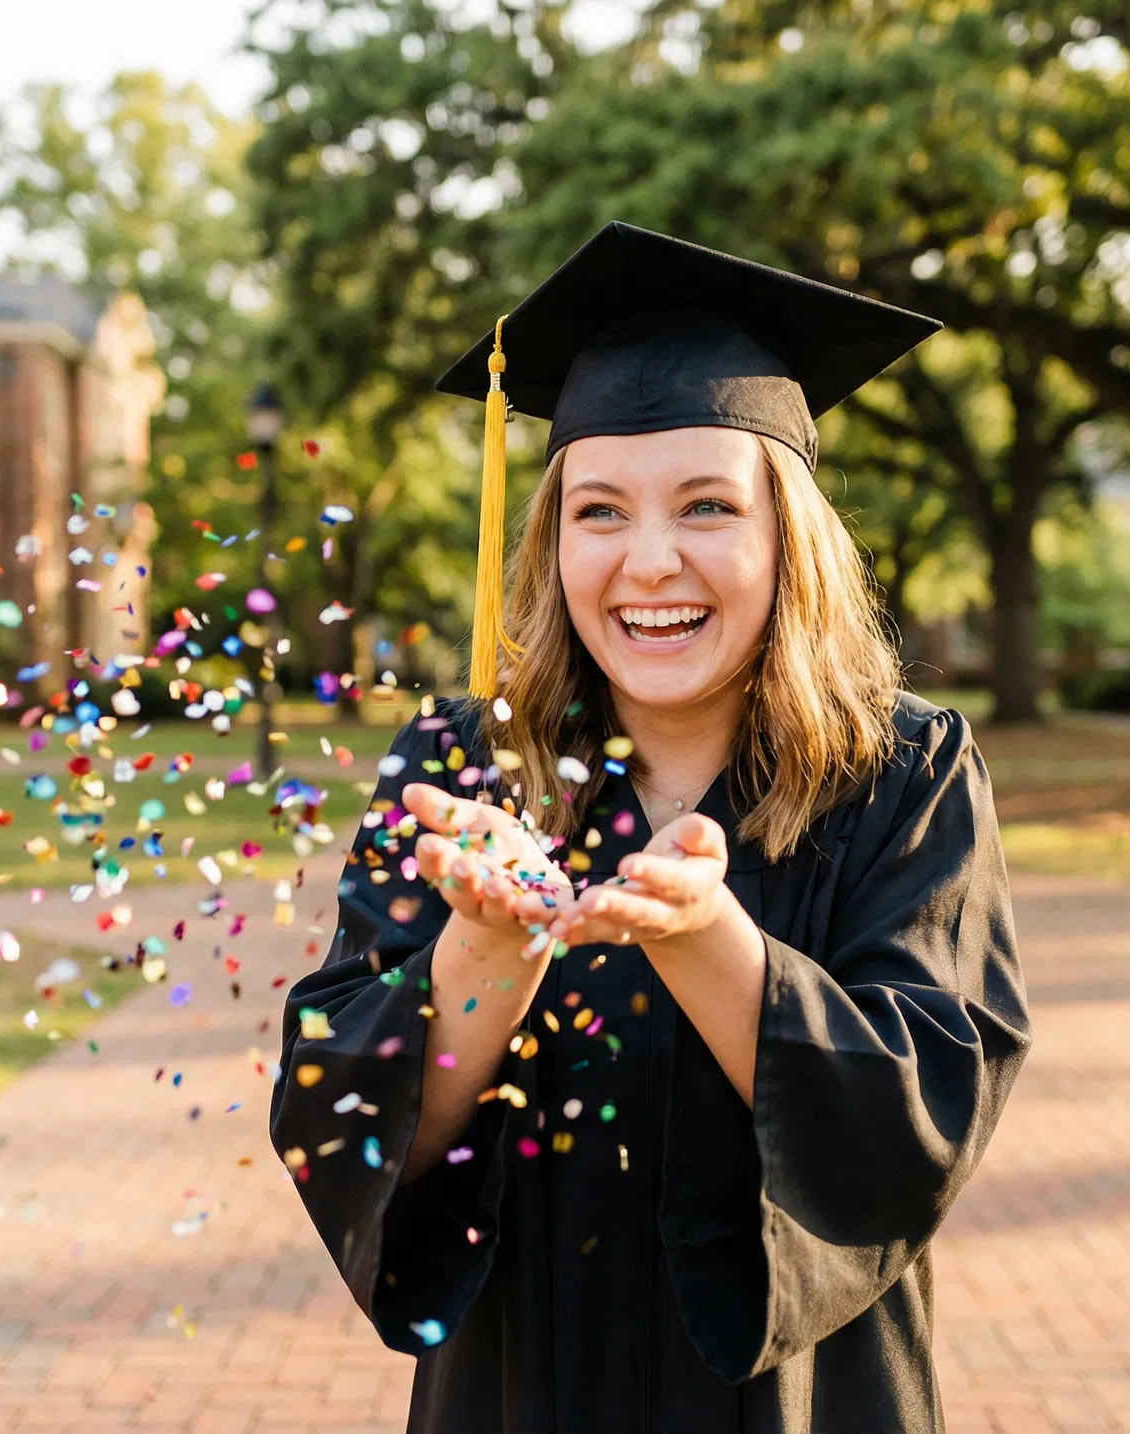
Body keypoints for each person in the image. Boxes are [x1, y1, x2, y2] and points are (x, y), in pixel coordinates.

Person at [271, 222, 1031, 1433]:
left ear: (789, 536)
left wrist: (707, 943)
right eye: (601, 512)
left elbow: (922, 1121)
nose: (651, 561)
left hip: (808, 1400)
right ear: (552, 537)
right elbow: (345, 1122)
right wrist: (488, 951)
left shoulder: (903, 773)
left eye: (709, 506)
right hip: (520, 1394)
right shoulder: (465, 773)